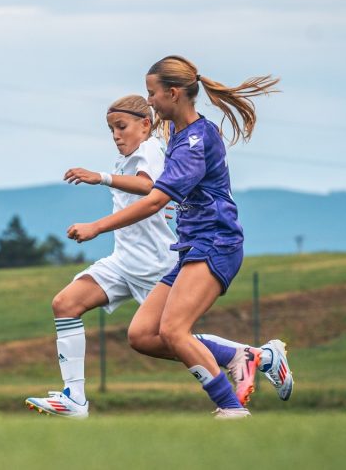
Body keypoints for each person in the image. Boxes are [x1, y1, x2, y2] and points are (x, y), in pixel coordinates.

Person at [67, 56, 294, 419]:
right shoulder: (179, 135)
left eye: (152, 93)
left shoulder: (193, 140)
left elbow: (156, 197)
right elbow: (171, 189)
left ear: (173, 93)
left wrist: (97, 226)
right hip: (192, 247)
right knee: (142, 334)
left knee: (173, 330)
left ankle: (231, 409)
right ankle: (256, 357)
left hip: (216, 244)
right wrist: (183, 199)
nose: (150, 102)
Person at [25, 95, 268, 419]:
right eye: (111, 129)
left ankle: (246, 358)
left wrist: (100, 178)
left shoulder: (152, 149)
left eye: (121, 127)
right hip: (124, 262)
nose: (115, 135)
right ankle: (75, 400)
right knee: (65, 304)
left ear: (145, 124)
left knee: (171, 337)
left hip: (156, 264)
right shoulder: (128, 158)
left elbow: (150, 187)